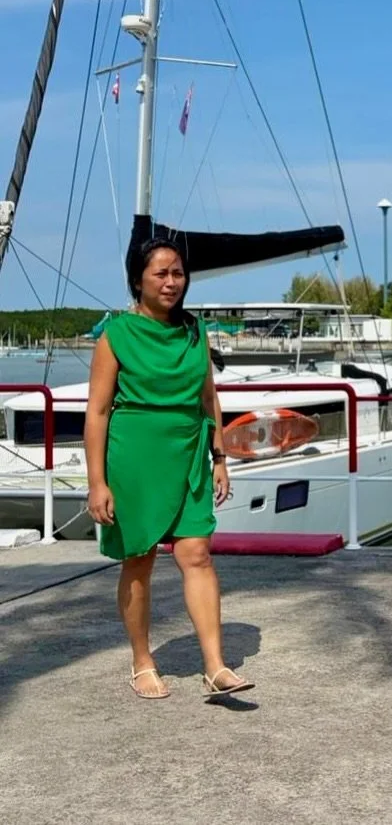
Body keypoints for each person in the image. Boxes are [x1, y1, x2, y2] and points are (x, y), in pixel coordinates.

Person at [85, 237, 255, 701]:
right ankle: (142, 661)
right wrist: (96, 482)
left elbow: (208, 398)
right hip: (134, 458)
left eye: (177, 272)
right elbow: (97, 412)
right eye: (160, 273)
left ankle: (216, 666)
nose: (171, 281)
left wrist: (220, 458)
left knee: (196, 553)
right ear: (137, 278)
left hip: (189, 454)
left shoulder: (195, 331)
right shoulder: (116, 334)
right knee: (139, 559)